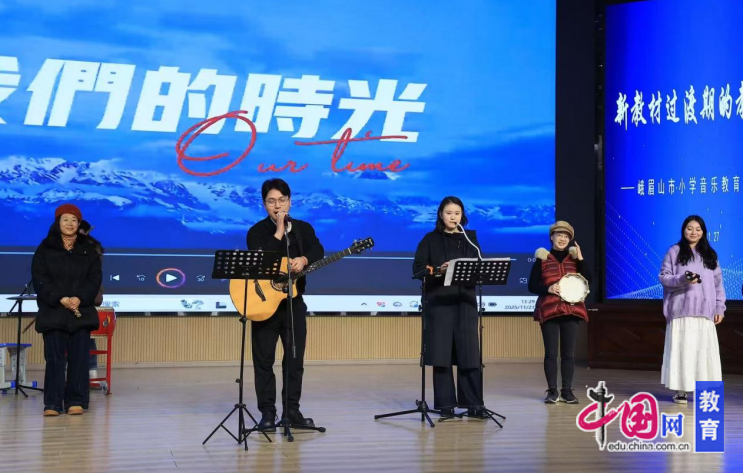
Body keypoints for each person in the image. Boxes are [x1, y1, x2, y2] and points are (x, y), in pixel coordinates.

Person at [246, 179, 324, 431]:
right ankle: (267, 413)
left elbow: (318, 250)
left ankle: (291, 411)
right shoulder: (257, 231)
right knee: (264, 361)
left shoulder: (303, 228)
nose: (277, 206)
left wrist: (304, 259)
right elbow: (262, 260)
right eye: (271, 201)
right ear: (264, 204)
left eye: (281, 200)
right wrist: (279, 231)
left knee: (294, 361)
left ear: (290, 201)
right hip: (264, 305)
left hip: (293, 303)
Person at [412, 196, 484, 418]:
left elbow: (480, 269)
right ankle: (445, 405)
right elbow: (417, 269)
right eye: (449, 213)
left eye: (457, 213)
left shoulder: (470, 239)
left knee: (469, 354)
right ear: (440, 215)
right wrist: (437, 270)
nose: (453, 217)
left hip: (465, 303)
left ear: (463, 215)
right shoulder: (430, 239)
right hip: (439, 303)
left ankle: (474, 405)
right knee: (441, 354)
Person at [32, 204, 102, 416]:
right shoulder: (45, 248)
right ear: (58, 223)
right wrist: (60, 298)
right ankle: (52, 404)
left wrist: (79, 298)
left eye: (74, 220)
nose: (70, 223)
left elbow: (94, 279)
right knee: (54, 359)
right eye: (65, 219)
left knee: (79, 359)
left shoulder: (88, 249)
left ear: (79, 223)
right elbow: (39, 278)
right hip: (53, 311)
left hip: (81, 311)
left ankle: (76, 401)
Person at [659, 215, 725, 404]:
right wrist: (683, 279)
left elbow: (718, 284)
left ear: (703, 232)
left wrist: (719, 307)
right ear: (683, 230)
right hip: (681, 311)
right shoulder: (674, 251)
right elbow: (664, 277)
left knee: (704, 353)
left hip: (705, 312)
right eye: (690, 228)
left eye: (698, 229)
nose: (693, 232)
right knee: (683, 352)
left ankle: (706, 393)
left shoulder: (710, 254)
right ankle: (681, 390)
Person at [528, 221, 590, 404]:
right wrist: (548, 288)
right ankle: (552, 391)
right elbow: (531, 286)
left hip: (572, 311)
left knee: (568, 354)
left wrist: (581, 259)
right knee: (551, 353)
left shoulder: (575, 259)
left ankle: (567, 391)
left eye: (566, 236)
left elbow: (589, 279)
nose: (562, 239)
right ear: (551, 237)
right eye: (559, 235)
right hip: (549, 311)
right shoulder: (542, 258)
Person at [78, 220, 105, 388]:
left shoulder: (92, 248)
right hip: (74, 298)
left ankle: (91, 374)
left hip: (88, 297)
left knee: (87, 335)